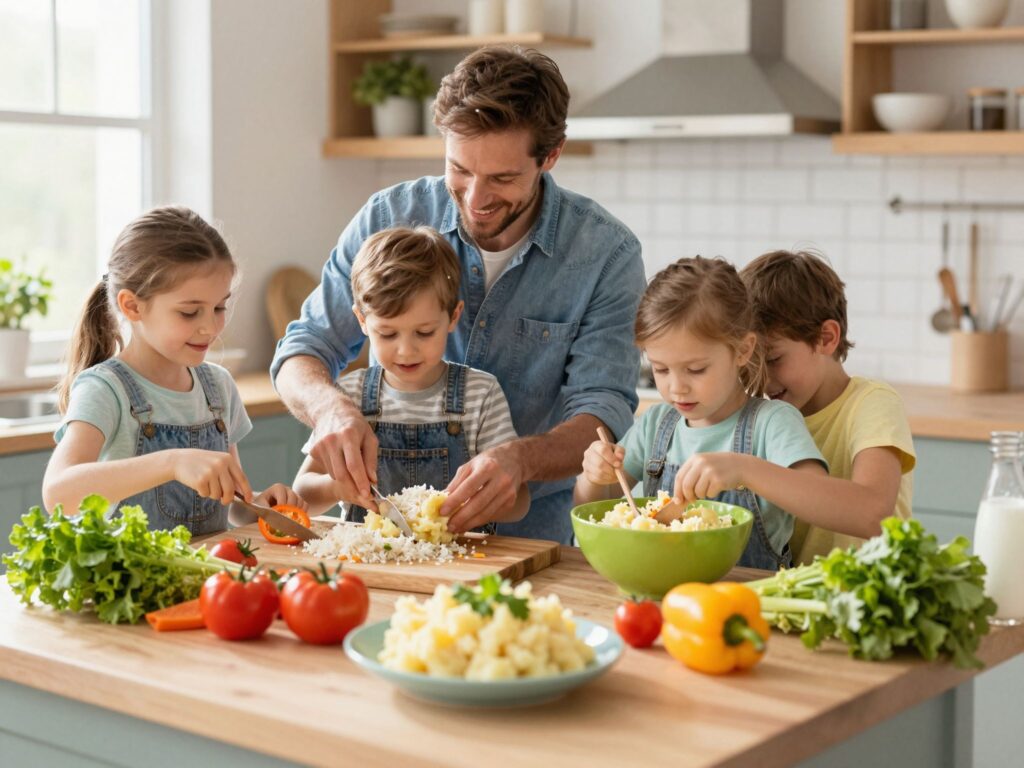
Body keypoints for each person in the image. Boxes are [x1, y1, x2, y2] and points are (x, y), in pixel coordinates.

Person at [271, 45, 645, 544]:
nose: (475, 198)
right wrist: (331, 410)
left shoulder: (605, 253)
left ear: (550, 157)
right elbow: (303, 351)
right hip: (380, 547)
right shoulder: (387, 217)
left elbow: (603, 411)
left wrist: (521, 459)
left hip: (531, 540)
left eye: (502, 178)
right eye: (460, 169)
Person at [44, 206, 305, 535]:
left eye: (219, 307)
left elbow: (231, 504)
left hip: (206, 579)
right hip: (132, 582)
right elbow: (58, 493)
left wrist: (258, 505)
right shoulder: (105, 390)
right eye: (190, 312)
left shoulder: (218, 387)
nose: (210, 327)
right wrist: (171, 462)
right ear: (133, 306)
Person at [573, 256, 828, 570]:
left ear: (743, 350)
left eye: (696, 369)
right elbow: (594, 507)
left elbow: (828, 505)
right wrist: (593, 477)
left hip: (749, 602)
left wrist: (745, 470)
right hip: (662, 595)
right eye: (661, 369)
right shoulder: (656, 425)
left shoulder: (772, 423)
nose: (676, 388)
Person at [292, 226, 529, 526]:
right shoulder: (349, 398)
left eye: (424, 332)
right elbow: (303, 493)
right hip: (366, 563)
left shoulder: (480, 394)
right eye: (388, 333)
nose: (406, 351)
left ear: (453, 316)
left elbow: (519, 502)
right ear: (362, 321)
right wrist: (336, 488)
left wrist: (483, 498)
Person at [740, 249, 915, 565]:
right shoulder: (762, 417)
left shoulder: (871, 404)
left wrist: (746, 470)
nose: (763, 381)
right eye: (752, 364)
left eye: (774, 359)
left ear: (826, 337)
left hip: (869, 600)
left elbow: (872, 514)